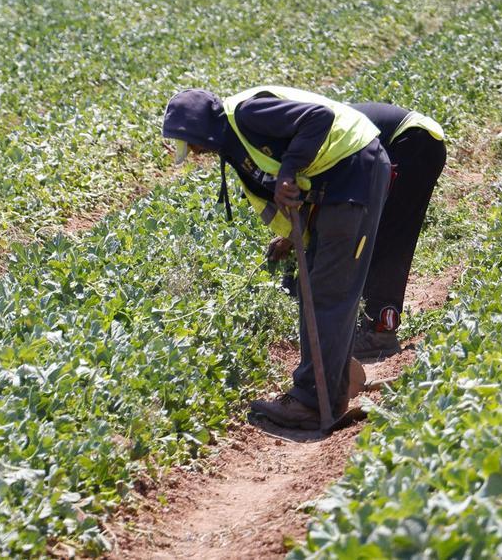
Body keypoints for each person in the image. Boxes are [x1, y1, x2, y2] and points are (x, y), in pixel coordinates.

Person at [162, 86, 390, 430]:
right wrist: (288, 235)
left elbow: (319, 118)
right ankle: (326, 391)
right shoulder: (232, 146)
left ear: (199, 126)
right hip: (336, 185)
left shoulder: (245, 114)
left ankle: (313, 402)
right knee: (315, 287)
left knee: (329, 293)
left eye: (189, 143)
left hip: (356, 173)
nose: (193, 152)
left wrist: (288, 171)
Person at [267, 102, 445, 359]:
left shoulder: (311, 140)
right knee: (372, 232)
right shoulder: (308, 133)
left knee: (388, 237)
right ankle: (372, 325)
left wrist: (291, 237)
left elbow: (326, 200)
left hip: (411, 142)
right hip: (415, 141)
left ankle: (380, 332)